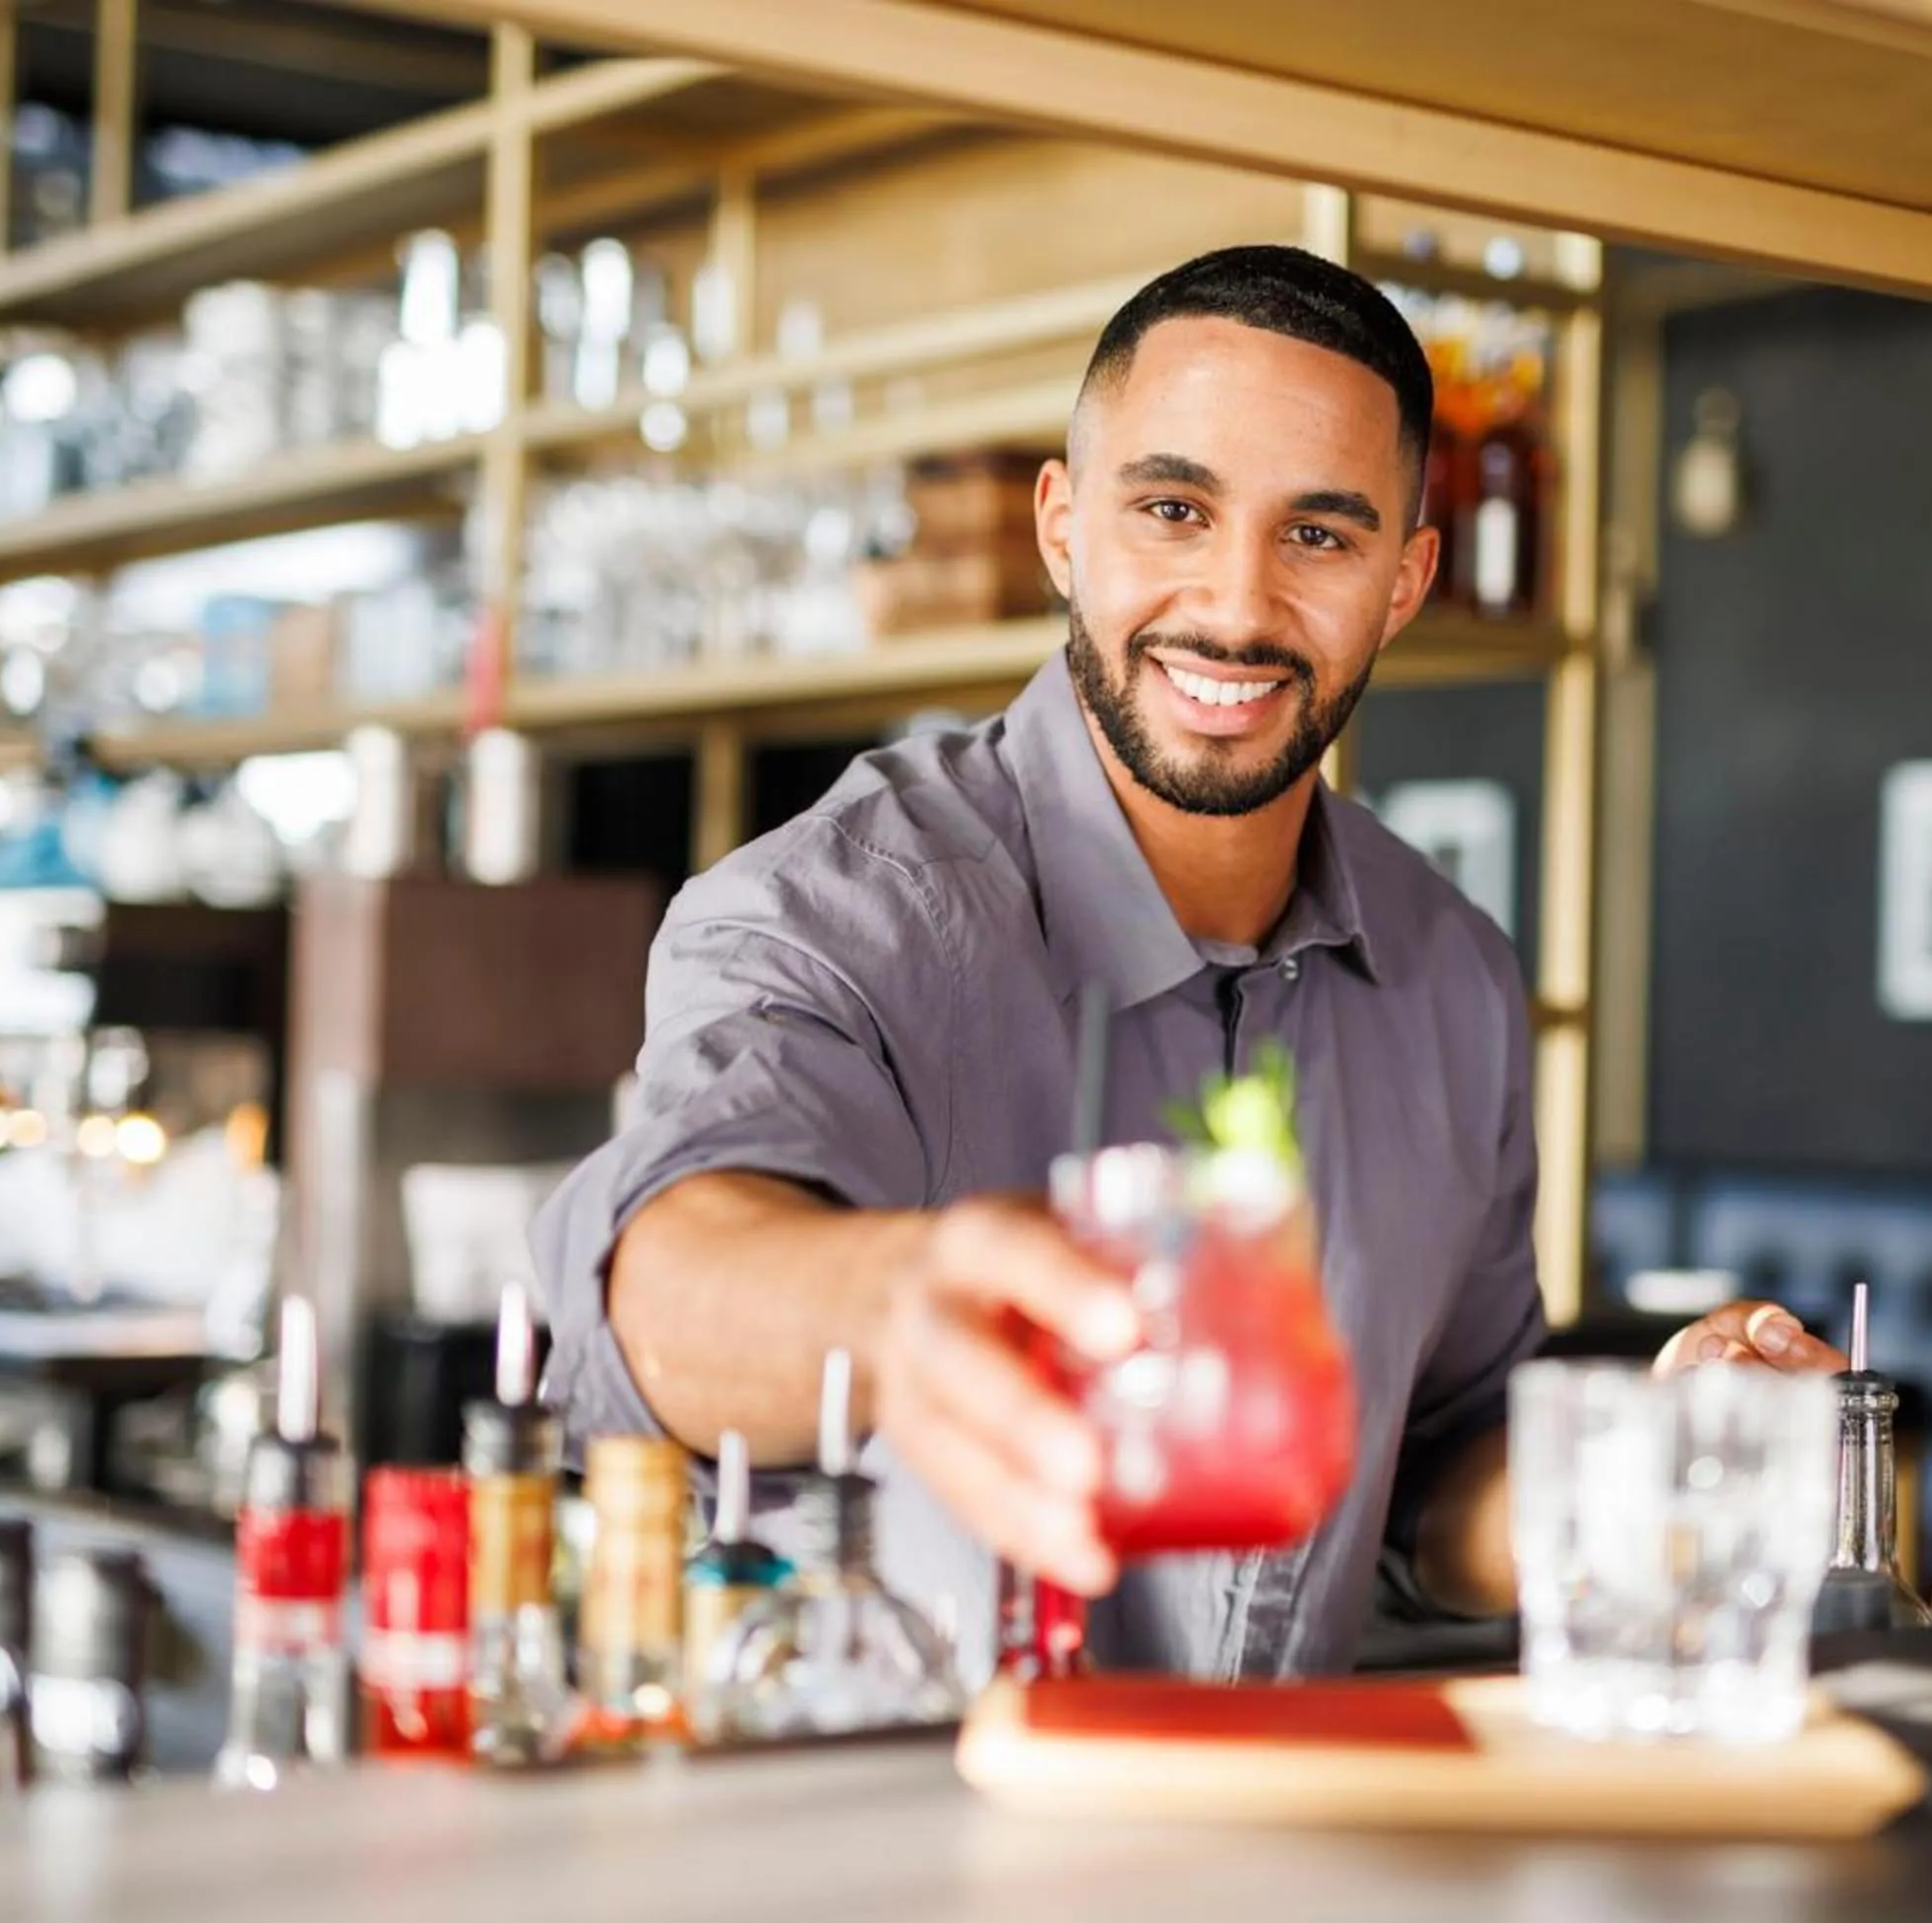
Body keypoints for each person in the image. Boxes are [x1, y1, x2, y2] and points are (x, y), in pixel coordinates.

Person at [532, 244, 1842, 1680]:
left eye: (1321, 536)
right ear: (1062, 524)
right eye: (1172, 508)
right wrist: (892, 1306)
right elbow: (657, 1283)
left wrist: (1634, 1464)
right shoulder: (832, 911)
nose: (1235, 604)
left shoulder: (1452, 977)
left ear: (1406, 579)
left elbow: (1432, 1482)